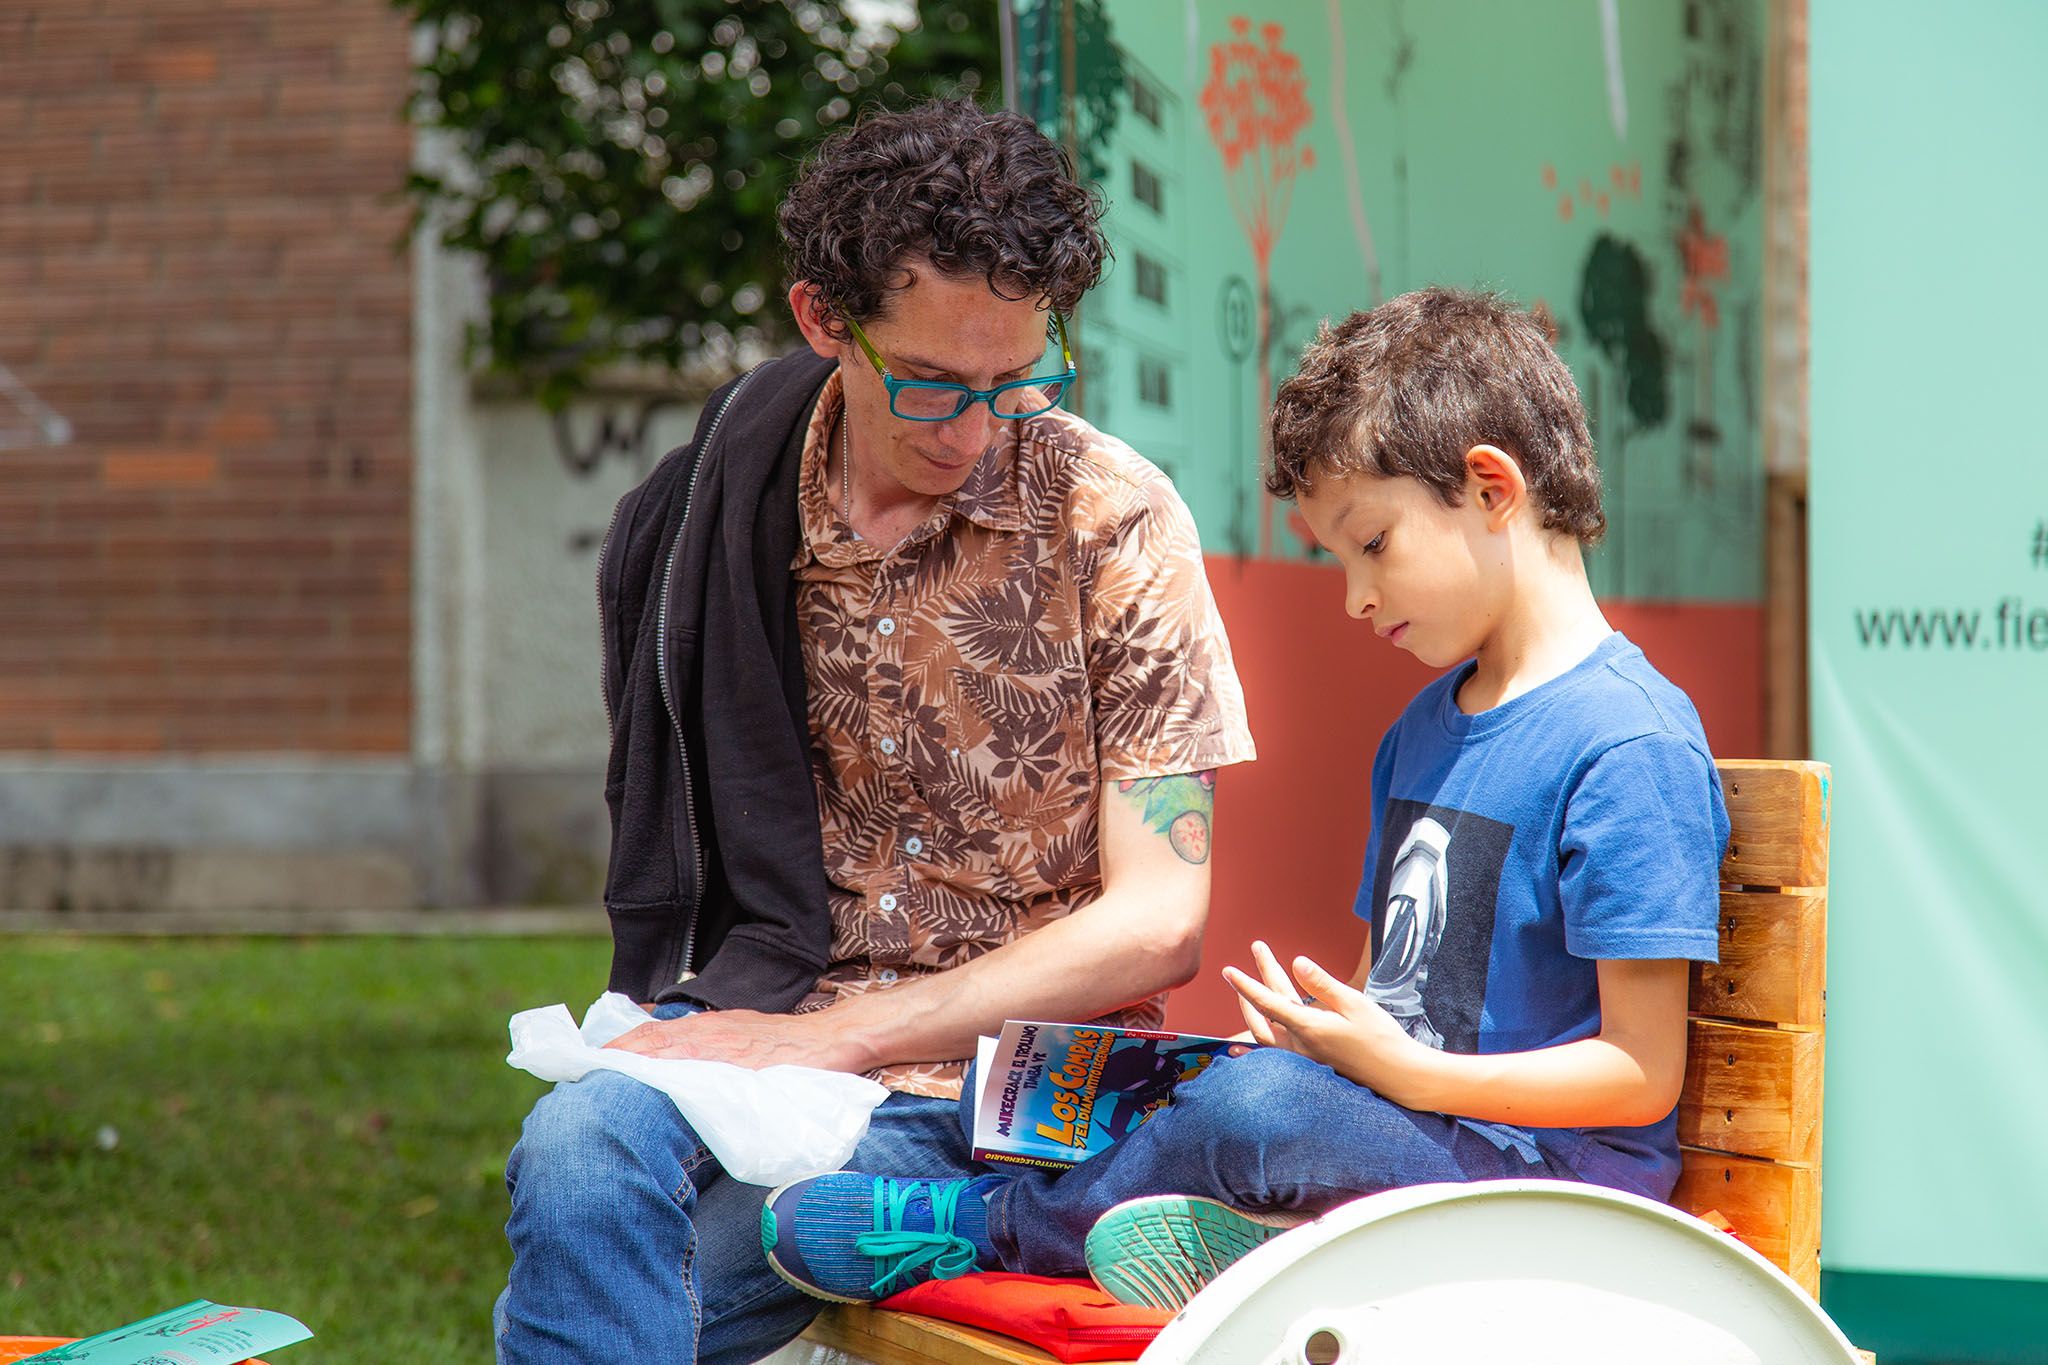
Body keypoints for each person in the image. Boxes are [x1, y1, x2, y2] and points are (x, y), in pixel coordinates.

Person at [764, 287, 1729, 1312]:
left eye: (1371, 545)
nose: (1357, 598)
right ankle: (1239, 1236)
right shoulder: (1420, 732)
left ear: (1489, 488)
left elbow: (1636, 1073)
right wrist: (1324, 1040)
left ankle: (986, 1232)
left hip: (1544, 1186)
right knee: (1065, 1082)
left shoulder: (1626, 744)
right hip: (1413, 1133)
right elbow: (1384, 1002)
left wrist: (1389, 1074)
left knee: (1259, 1110)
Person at [494, 99, 1256, 1363]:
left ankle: (964, 1218)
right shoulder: (729, 499)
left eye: (1017, 383)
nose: (972, 433)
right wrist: (787, 1035)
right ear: (821, 322)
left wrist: (834, 1040)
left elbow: (1159, 920)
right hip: (773, 1008)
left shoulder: (1111, 519)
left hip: (1007, 1089)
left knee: (640, 1288)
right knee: (575, 1152)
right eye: (931, 386)